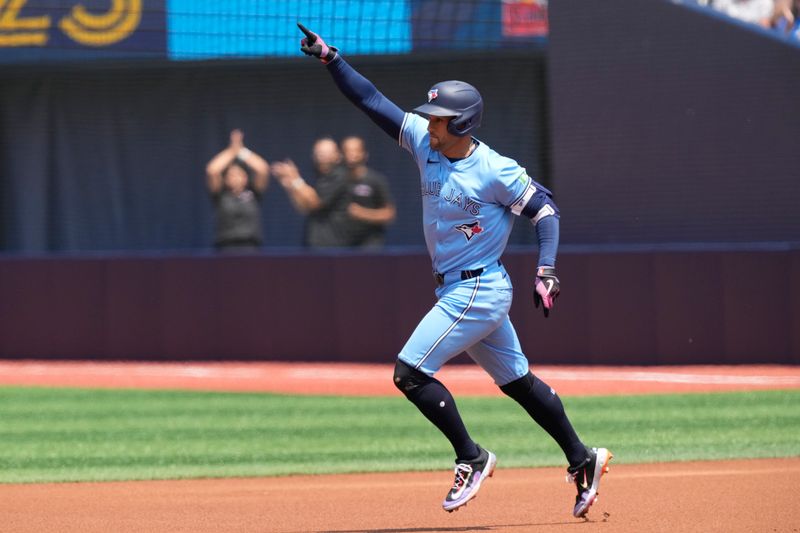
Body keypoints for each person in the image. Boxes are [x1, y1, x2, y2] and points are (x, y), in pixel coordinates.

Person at [295, 23, 612, 518]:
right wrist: (330, 59)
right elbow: (373, 101)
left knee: (409, 373)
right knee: (518, 383)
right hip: (464, 288)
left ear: (462, 124)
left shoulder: (495, 169)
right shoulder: (427, 143)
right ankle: (583, 458)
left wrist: (547, 268)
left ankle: (472, 455)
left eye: (439, 118)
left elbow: (545, 210)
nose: (429, 124)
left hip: (478, 288)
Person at [272, 136, 396, 248]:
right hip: (329, 245)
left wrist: (295, 179)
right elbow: (307, 207)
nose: (320, 157)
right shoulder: (326, 178)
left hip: (348, 246)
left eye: (324, 153)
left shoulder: (342, 176)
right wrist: (291, 186)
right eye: (318, 153)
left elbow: (315, 201)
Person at [205, 129, 270, 251]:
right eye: (231, 175)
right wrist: (232, 150)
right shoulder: (221, 195)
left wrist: (241, 151)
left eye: (239, 174)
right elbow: (212, 170)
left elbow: (263, 169)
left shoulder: (253, 193)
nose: (235, 178)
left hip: (251, 247)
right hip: (225, 247)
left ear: (246, 178)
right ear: (225, 179)